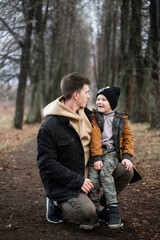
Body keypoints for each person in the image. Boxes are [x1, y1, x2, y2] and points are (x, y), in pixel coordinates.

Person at [36, 72, 99, 230]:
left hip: (87, 173)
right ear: (76, 95)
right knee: (87, 211)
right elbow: (46, 164)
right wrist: (78, 181)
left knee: (124, 171)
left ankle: (102, 207)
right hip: (66, 182)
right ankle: (54, 201)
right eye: (86, 92)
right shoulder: (50, 126)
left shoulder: (87, 115)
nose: (88, 96)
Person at [88, 86, 141, 229]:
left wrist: (127, 156)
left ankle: (113, 210)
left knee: (106, 174)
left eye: (103, 99)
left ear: (112, 102)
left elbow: (129, 137)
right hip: (97, 153)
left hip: (112, 153)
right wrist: (97, 157)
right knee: (93, 179)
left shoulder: (120, 118)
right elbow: (94, 137)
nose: (99, 102)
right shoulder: (94, 117)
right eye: (98, 99)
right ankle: (93, 213)